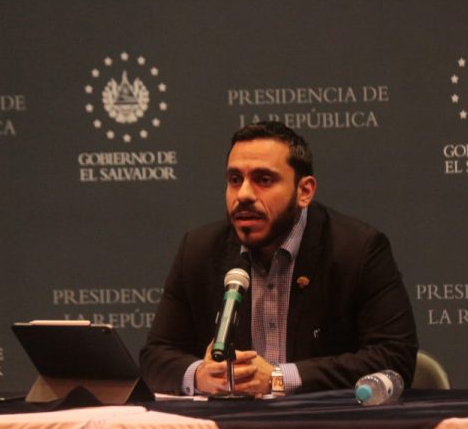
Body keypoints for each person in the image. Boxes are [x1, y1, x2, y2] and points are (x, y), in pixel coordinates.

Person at [139, 121, 418, 396]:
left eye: (264, 180)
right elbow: (155, 357)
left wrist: (278, 378)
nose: (244, 194)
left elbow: (394, 357)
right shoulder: (199, 250)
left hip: (322, 421)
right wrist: (200, 375)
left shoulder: (357, 249)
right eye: (235, 180)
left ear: (304, 191)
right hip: (229, 422)